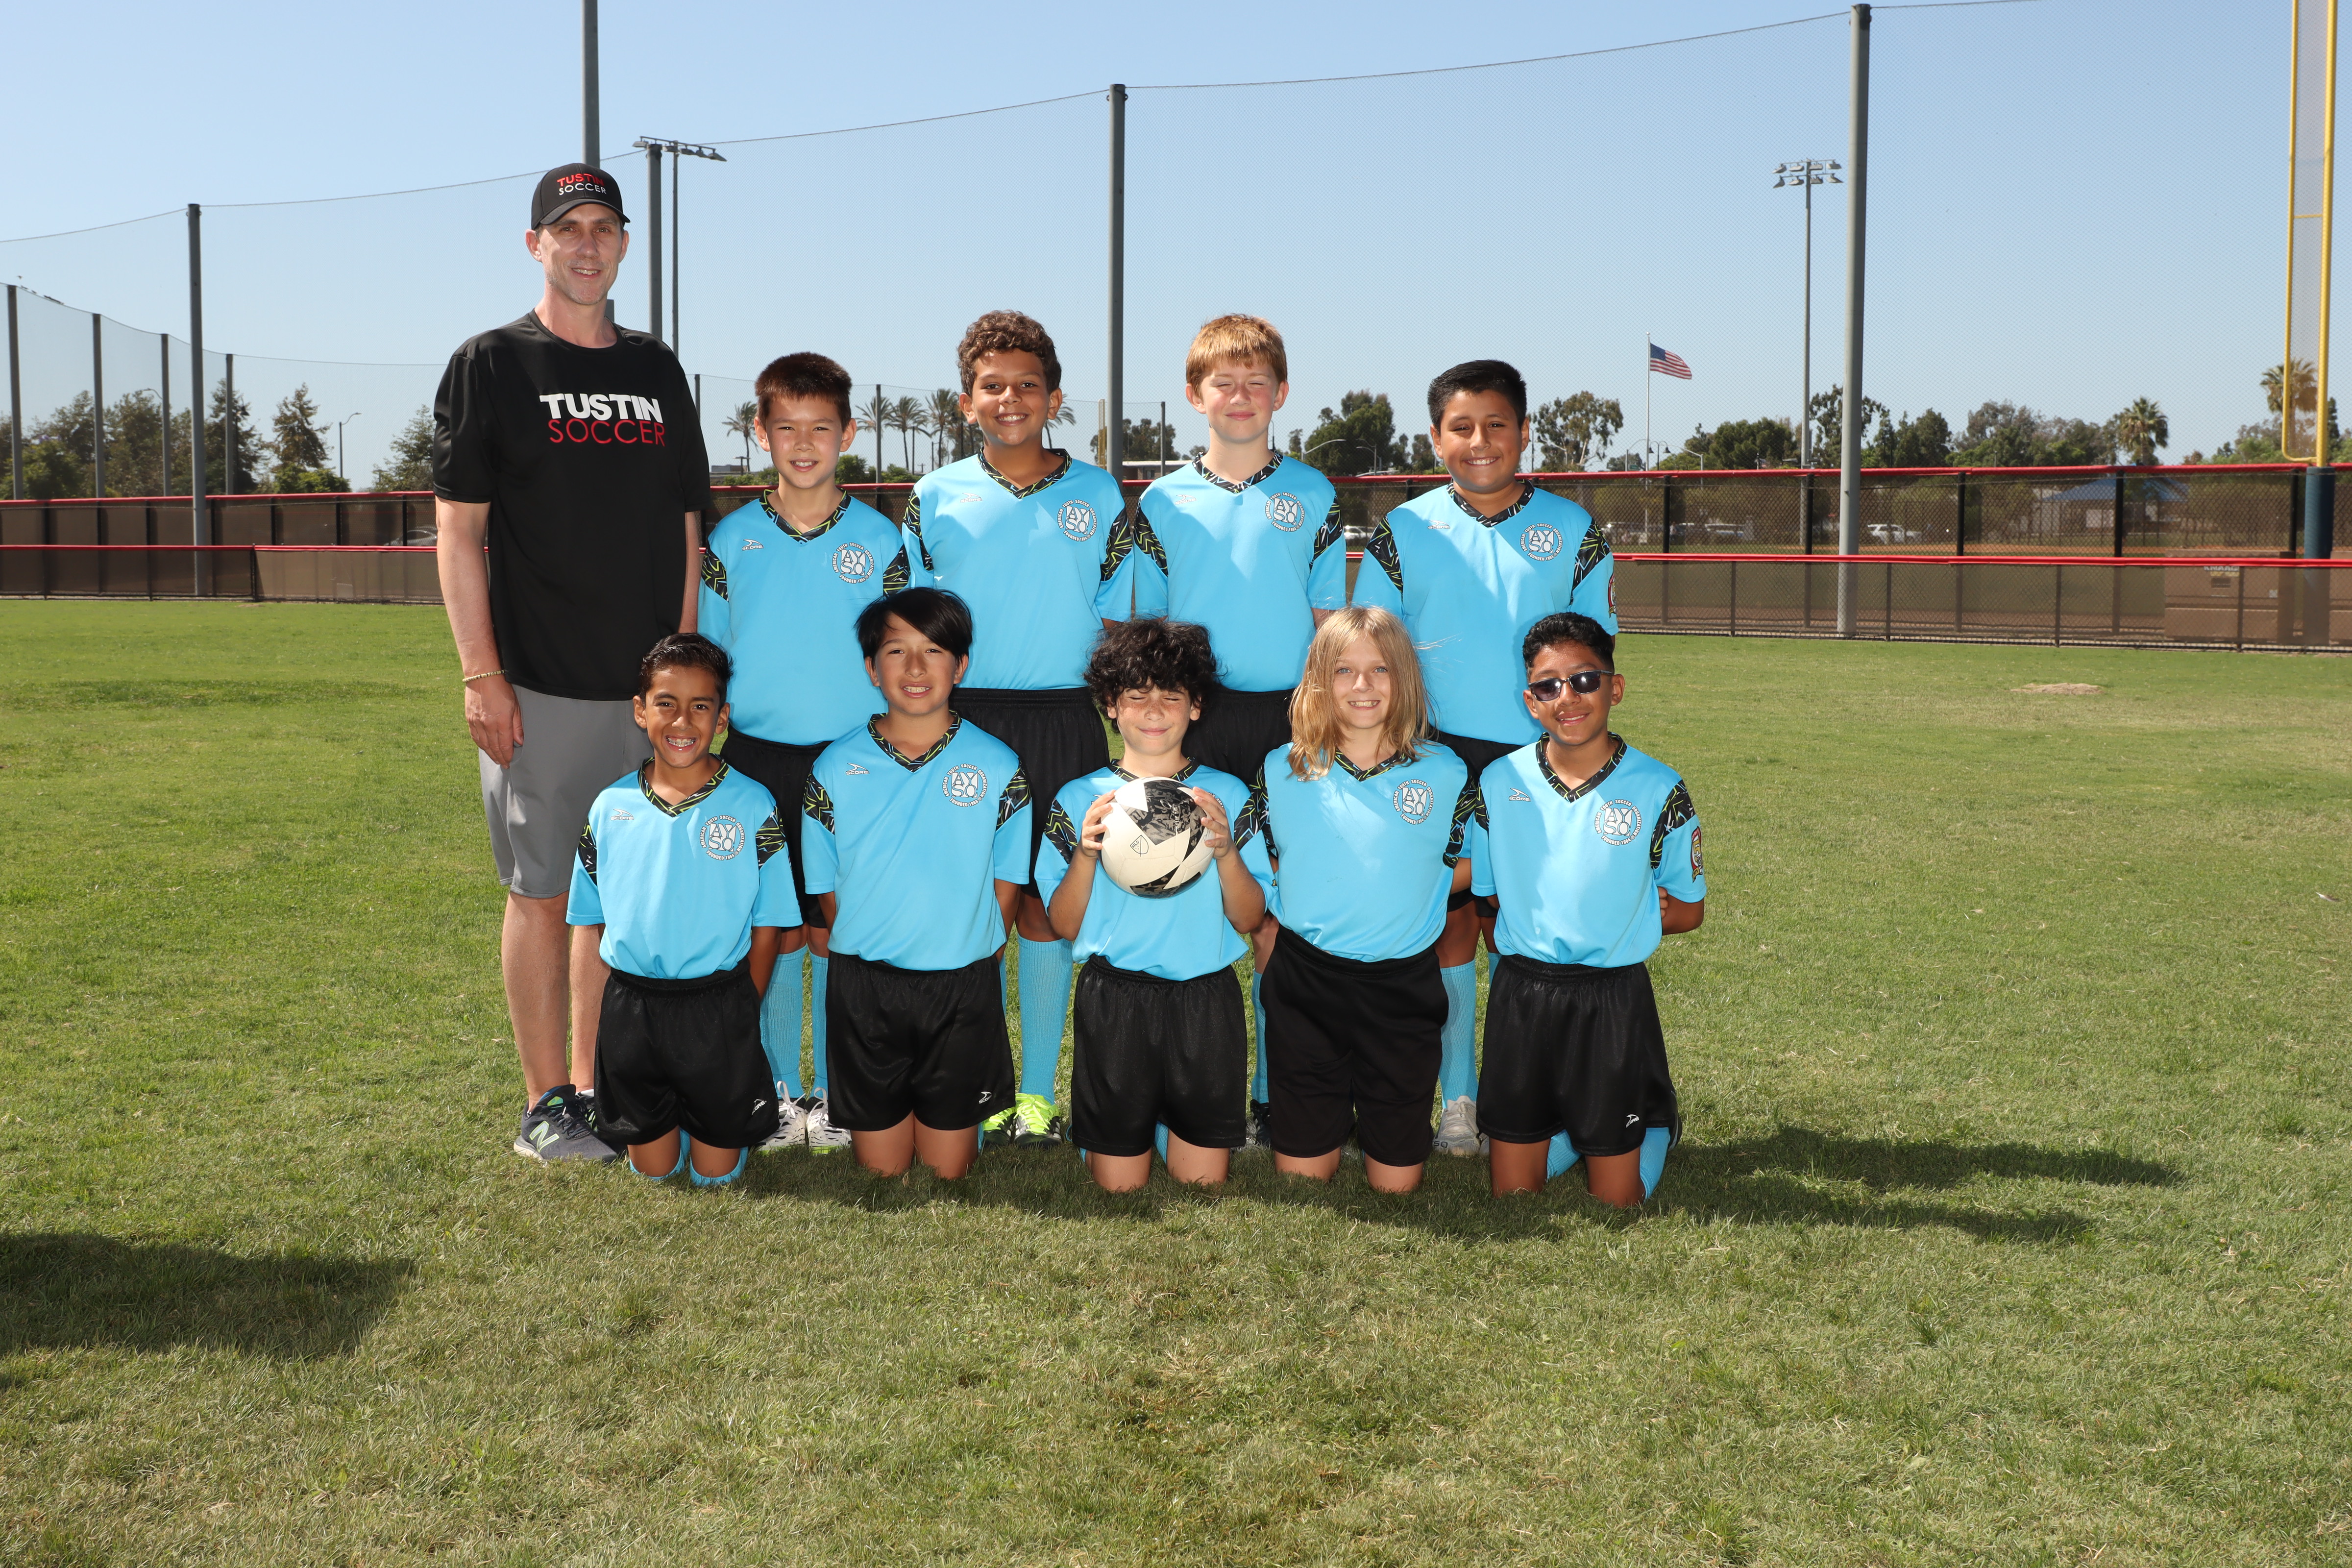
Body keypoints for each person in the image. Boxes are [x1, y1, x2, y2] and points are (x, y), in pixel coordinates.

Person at [433, 163, 713, 1163]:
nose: (587, 244)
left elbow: (687, 529)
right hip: (541, 685)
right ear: (536, 245)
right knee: (544, 892)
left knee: (618, 898)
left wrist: (683, 676)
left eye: (603, 227)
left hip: (644, 694)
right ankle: (545, 1100)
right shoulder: (492, 363)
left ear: (625, 244)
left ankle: (599, 1088)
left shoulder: (656, 368)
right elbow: (459, 534)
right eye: (568, 228)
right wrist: (483, 674)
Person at [1350, 360, 1616, 1159]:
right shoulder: (1406, 529)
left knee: (1529, 929)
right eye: (1461, 427)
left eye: (1497, 424)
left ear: (1525, 432)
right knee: (1450, 924)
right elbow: (1372, 649)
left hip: (1538, 757)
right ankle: (1458, 1099)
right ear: (1435, 438)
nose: (1480, 441)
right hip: (1432, 753)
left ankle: (1529, 1096)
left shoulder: (1574, 530)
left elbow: (1592, 656)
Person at [1111, 314, 1346, 1149]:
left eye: (1256, 383)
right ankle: (1188, 1085)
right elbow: (1142, 627)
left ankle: (1275, 1092)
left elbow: (1328, 621)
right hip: (1195, 720)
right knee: (1191, 888)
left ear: (1281, 394)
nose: (1240, 397)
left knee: (1280, 908)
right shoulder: (1164, 500)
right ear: (1194, 395)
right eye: (1224, 383)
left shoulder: (1313, 494)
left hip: (1290, 718)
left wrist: (1324, 719)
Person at [900, 311, 1130, 1149]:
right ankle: (976, 1086)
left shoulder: (1099, 494)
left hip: (1066, 718)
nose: (1010, 399)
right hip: (966, 722)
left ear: (1054, 398)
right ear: (966, 401)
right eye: (991, 386)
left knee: (1044, 906)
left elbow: (1119, 620)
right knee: (975, 907)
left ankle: (1034, 1097)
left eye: (1027, 385)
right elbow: (913, 627)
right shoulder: (934, 496)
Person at [700, 351, 925, 1155]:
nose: (803, 444)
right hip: (757, 760)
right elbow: (710, 655)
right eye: (787, 428)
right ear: (761, 435)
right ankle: (772, 1091)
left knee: (837, 926)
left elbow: (901, 649)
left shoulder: (879, 538)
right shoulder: (733, 539)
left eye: (820, 429)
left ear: (848, 435)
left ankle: (835, 1092)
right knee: (773, 927)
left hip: (853, 764)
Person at [1470, 612, 1703, 1206]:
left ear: (1614, 687)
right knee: (1513, 1194)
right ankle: (1574, 1132)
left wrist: (1626, 908)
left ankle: (1655, 1124)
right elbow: (1489, 894)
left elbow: (1688, 910)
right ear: (1530, 701)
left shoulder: (1659, 786)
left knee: (1617, 1201)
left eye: (1584, 680)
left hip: (1611, 999)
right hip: (1522, 995)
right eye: (1548, 686)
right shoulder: (1498, 780)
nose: (1567, 698)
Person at [798, 588, 1030, 1179]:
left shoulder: (998, 764)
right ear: (872, 668)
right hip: (867, 987)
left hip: (960, 985)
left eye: (934, 650)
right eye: (897, 651)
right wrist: (871, 940)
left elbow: (1008, 876)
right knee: (884, 1170)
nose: (916, 667)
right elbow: (827, 887)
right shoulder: (833, 766)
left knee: (947, 1170)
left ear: (962, 665)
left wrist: (980, 947)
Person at [1245, 607, 1477, 1195]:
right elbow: (1269, 866)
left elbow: (1473, 863)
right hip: (1307, 983)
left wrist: (1412, 885)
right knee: (1302, 1178)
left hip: (1402, 986)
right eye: (1344, 670)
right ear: (1319, 679)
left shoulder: (1446, 772)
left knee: (1397, 1184)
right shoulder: (1282, 768)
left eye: (1380, 669)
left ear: (1405, 676)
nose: (1363, 684)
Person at [1035, 619, 1272, 1193]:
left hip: (1204, 998)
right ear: (1111, 705)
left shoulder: (1228, 795)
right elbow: (1062, 924)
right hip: (1115, 998)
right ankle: (1131, 1128)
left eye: (1172, 696)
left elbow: (1249, 918)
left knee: (1202, 1183)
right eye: (1137, 695)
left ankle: (1168, 1125)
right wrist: (1086, 855)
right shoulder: (1079, 798)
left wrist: (1226, 851)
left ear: (1196, 706)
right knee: (1119, 1187)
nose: (1155, 710)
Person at [566, 634, 797, 1186]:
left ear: (722, 718)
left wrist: (743, 1002)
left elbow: (769, 924)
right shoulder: (609, 807)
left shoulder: (753, 803)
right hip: (635, 1008)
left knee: (713, 1174)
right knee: (657, 1169)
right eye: (666, 703)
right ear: (640, 710)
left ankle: (707, 1118)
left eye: (700, 706)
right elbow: (591, 920)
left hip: (717, 1004)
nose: (682, 721)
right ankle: (673, 1117)